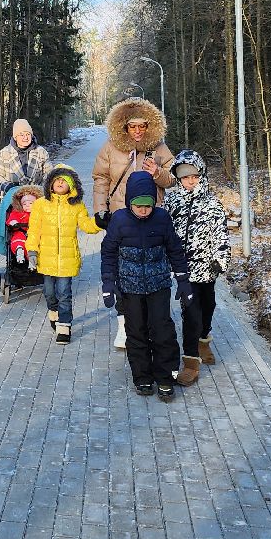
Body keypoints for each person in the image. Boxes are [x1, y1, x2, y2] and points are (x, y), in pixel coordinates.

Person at [92, 97, 177, 350]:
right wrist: (100, 209)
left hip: (153, 219)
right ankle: (124, 326)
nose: (138, 131)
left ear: (150, 127)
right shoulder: (110, 147)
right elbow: (100, 178)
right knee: (122, 273)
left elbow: (173, 180)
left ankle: (151, 324)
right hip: (121, 220)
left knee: (151, 271)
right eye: (132, 126)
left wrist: (157, 173)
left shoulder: (159, 148)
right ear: (124, 127)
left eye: (142, 126)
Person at [100, 170, 190, 400]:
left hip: (158, 285)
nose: (143, 210)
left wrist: (183, 279)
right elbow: (108, 253)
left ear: (154, 203)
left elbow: (175, 250)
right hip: (130, 289)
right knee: (136, 333)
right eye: (138, 205)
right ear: (130, 202)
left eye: (147, 205)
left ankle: (166, 377)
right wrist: (108, 285)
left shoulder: (162, 219)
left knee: (163, 332)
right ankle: (142, 378)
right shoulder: (119, 220)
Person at [163, 150, 230, 383]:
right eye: (184, 177)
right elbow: (165, 231)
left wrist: (221, 258)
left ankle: (203, 340)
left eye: (194, 176)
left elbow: (221, 234)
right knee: (191, 313)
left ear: (201, 175)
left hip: (208, 267)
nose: (190, 181)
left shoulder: (212, 204)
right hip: (184, 269)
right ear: (178, 178)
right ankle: (190, 361)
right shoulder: (171, 202)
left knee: (208, 306)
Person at [24, 165, 99, 344]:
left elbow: (87, 225)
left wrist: (99, 222)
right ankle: (54, 311)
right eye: (57, 179)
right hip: (46, 257)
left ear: (72, 186)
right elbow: (33, 230)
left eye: (65, 180)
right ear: (50, 183)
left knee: (64, 293)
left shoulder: (76, 205)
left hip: (67, 258)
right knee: (49, 292)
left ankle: (64, 326)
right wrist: (32, 250)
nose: (60, 182)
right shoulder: (40, 204)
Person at [0, 118, 52, 193]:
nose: (25, 138)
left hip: (36, 197)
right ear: (15, 137)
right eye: (21, 135)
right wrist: (8, 187)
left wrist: (40, 189)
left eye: (28, 134)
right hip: (12, 197)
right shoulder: (4, 153)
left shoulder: (41, 152)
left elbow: (49, 175)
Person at [0, 183, 44, 265]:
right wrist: (13, 223)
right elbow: (12, 218)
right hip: (20, 231)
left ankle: (32, 259)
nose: (27, 205)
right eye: (24, 204)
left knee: (36, 243)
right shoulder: (18, 212)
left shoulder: (39, 213)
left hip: (35, 234)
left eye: (30, 203)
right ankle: (19, 250)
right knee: (17, 239)